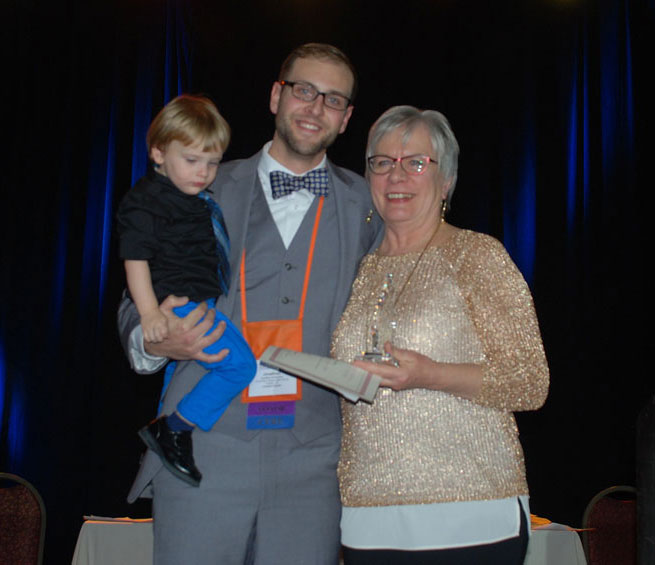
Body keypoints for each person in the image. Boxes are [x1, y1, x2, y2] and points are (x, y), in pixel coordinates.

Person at [118, 44, 383, 564]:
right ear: (275, 96)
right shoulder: (202, 181)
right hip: (202, 451)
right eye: (303, 90)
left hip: (316, 462)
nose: (314, 107)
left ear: (347, 118)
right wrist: (154, 338)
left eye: (332, 99)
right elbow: (137, 286)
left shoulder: (369, 208)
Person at [331, 105, 550, 564]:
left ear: (445, 179)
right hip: (368, 516)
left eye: (415, 163)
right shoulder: (353, 269)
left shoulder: (477, 255)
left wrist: (430, 374)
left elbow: (530, 381)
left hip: (471, 511)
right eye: (383, 162)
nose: (397, 176)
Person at [116, 94, 257, 488]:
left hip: (200, 300)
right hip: (179, 307)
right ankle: (174, 429)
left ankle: (166, 443)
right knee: (241, 365)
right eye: (192, 160)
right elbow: (135, 261)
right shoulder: (145, 202)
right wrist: (149, 315)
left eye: (212, 162)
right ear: (158, 153)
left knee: (176, 381)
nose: (204, 172)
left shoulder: (195, 200)